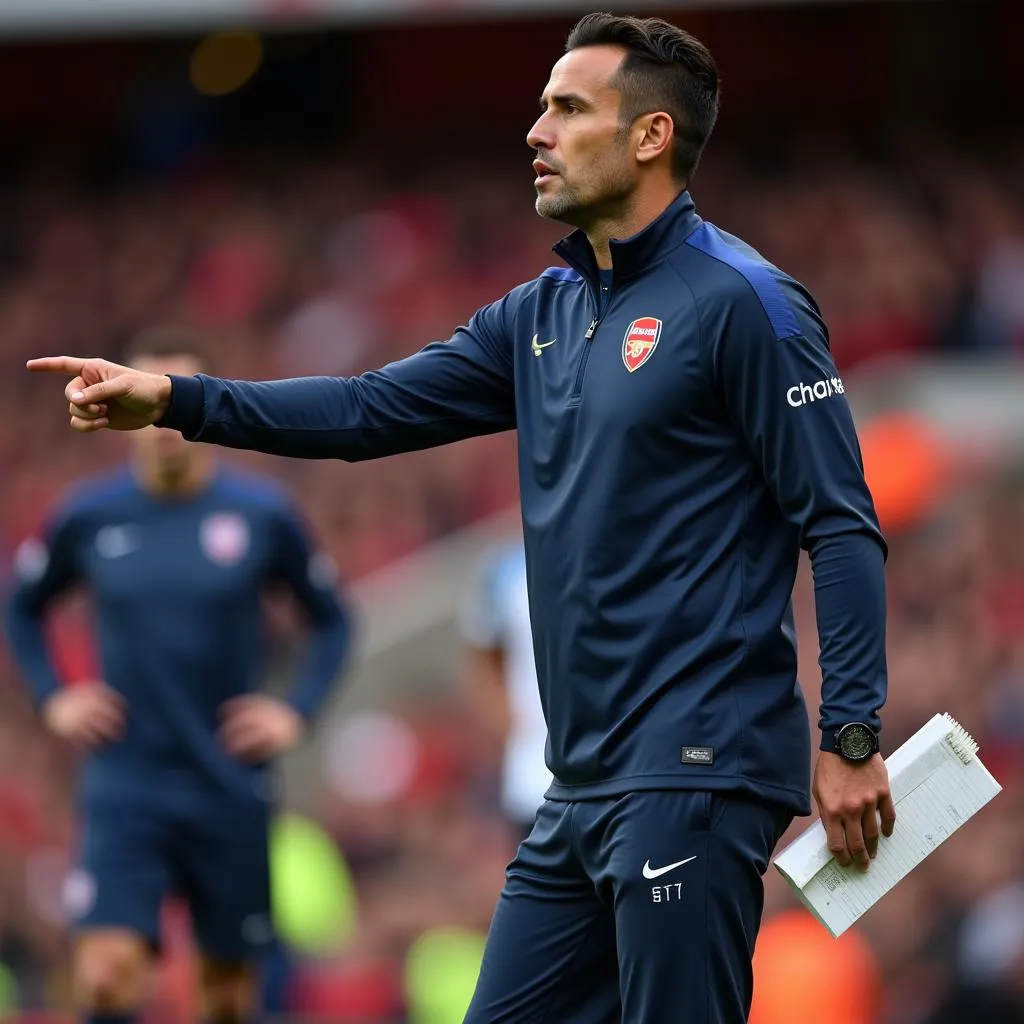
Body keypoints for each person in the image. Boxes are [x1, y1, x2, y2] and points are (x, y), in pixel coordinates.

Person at [27, 13, 896, 1022]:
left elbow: (839, 523)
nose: (535, 129)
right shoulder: (540, 313)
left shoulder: (747, 303)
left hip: (695, 770)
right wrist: (180, 401)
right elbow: (362, 410)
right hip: (575, 785)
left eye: (567, 108)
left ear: (651, 135)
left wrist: (850, 736)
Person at [7, 328, 354, 1024]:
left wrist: (297, 711)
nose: (162, 424)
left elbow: (333, 620)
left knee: (226, 995)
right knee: (105, 977)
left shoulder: (262, 515)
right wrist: (55, 697)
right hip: (125, 782)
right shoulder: (87, 515)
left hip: (228, 781)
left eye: (174, 398)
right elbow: (22, 608)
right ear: (123, 414)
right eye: (148, 398)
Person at [458, 540, 550, 841]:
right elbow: (481, 658)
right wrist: (515, 725)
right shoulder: (504, 570)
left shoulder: (610, 544)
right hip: (536, 777)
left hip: (616, 767)